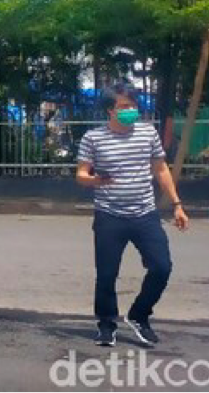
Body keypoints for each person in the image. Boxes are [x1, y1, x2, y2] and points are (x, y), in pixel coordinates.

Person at [75, 83, 189, 348]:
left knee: (162, 267)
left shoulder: (147, 133)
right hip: (109, 216)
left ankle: (139, 316)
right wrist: (96, 181)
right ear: (109, 111)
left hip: (145, 214)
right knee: (106, 274)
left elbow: (161, 170)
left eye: (133, 106)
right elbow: (81, 175)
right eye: (124, 107)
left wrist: (177, 204)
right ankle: (106, 324)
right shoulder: (93, 138)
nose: (130, 111)